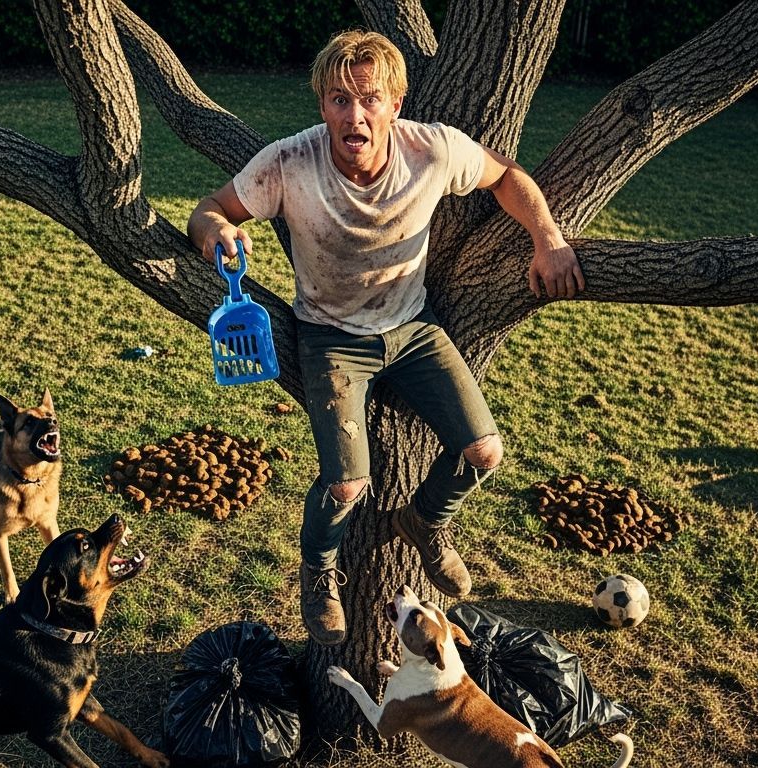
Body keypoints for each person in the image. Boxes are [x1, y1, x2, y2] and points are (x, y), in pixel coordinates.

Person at [187, 30, 583, 645]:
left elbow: (506, 176)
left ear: (395, 104)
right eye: (340, 99)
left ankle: (425, 521)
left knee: (485, 452)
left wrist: (548, 238)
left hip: (414, 329)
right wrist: (216, 230)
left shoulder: (432, 149)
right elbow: (209, 208)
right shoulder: (289, 162)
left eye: (370, 99)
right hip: (331, 337)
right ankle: (318, 568)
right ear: (323, 105)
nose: (355, 116)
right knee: (347, 484)